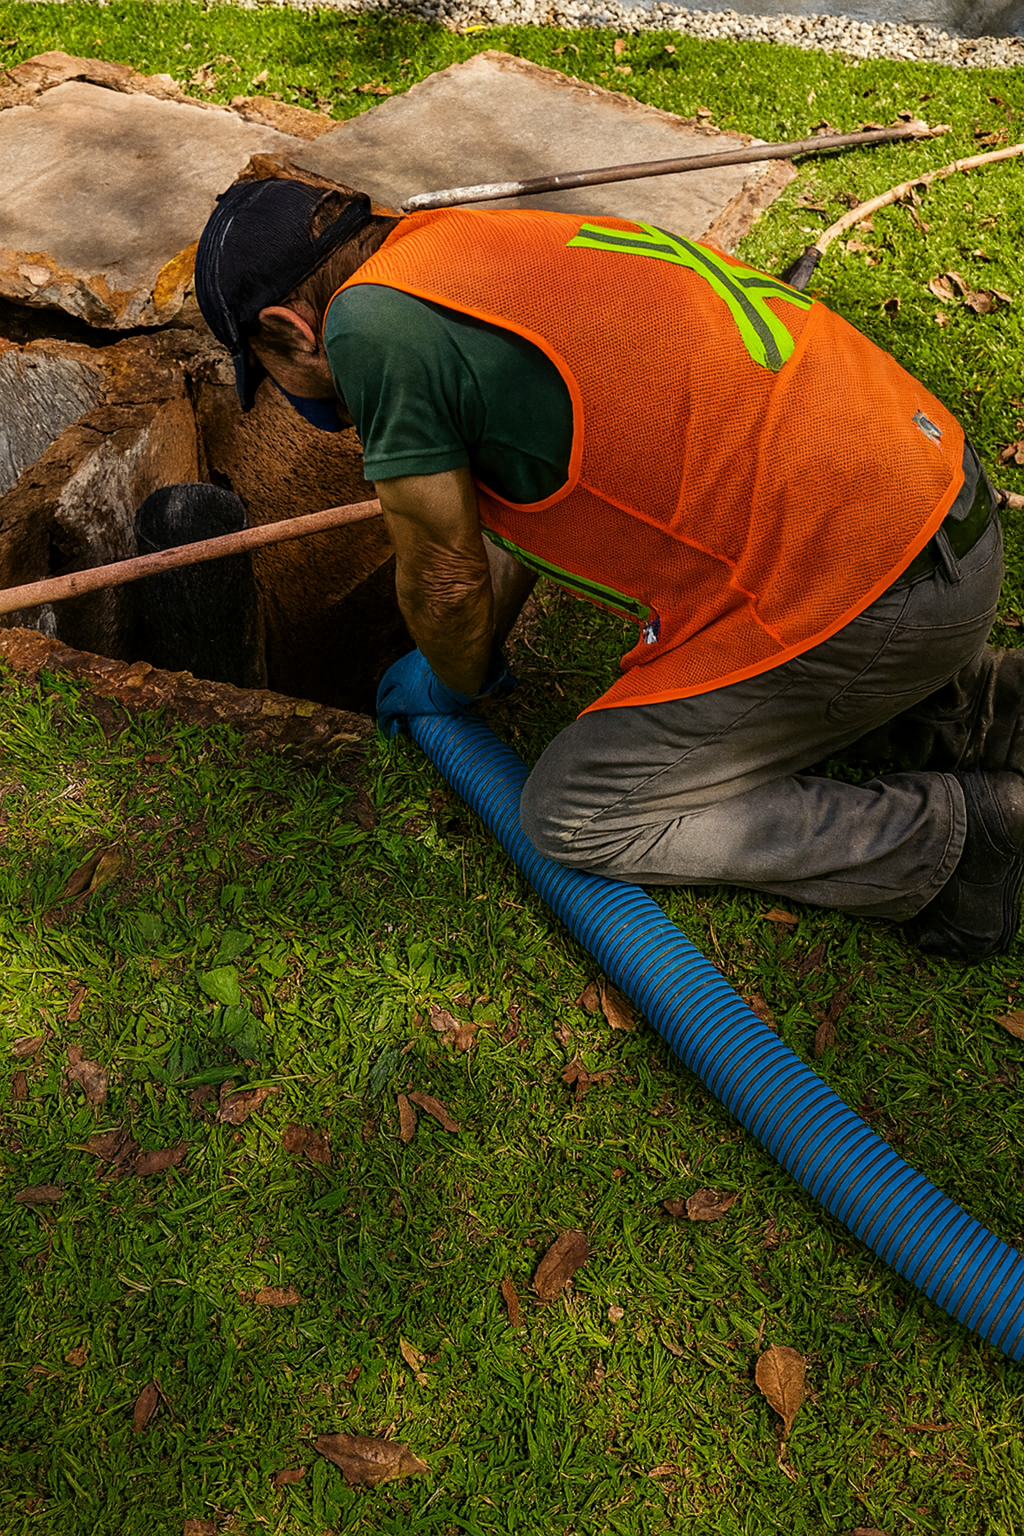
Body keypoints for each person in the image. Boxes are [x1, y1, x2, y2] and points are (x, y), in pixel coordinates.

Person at [193, 175, 1024, 963]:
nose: (297, 401)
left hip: (873, 589)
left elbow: (445, 579)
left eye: (270, 377)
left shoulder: (368, 330)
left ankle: (952, 846)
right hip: (941, 505)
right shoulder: (454, 250)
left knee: (578, 815)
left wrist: (454, 677)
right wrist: (473, 654)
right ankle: (981, 712)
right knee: (812, 641)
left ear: (290, 329)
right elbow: (515, 519)